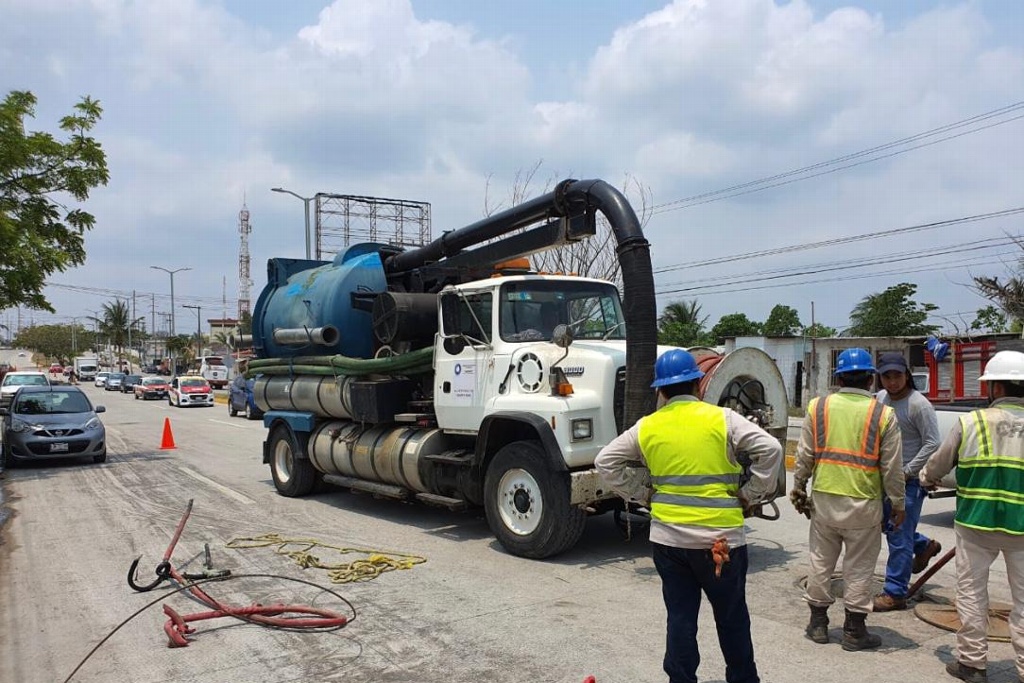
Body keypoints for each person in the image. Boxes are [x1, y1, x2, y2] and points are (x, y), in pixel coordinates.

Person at [595, 348, 782, 683]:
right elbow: (772, 449)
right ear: (698, 384)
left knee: (680, 619)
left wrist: (642, 493)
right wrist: (750, 494)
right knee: (732, 617)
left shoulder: (648, 427)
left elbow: (605, 462)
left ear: (660, 391)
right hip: (721, 543)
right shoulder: (722, 419)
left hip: (670, 542)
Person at [791, 347, 905, 650]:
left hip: (826, 498)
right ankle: (854, 631)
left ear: (838, 378)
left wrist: (799, 486)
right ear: (871, 380)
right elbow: (892, 467)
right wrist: (898, 504)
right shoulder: (883, 413)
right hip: (864, 503)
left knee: (820, 560)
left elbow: (804, 454)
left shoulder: (818, 408)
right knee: (860, 567)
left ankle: (818, 624)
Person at [921, 350, 1024, 683]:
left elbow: (937, 466)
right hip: (1022, 527)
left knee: (971, 593)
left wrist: (925, 478)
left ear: (995, 388)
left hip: (975, 523)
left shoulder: (971, 422)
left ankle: (972, 664)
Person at [873, 351, 943, 611]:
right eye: (887, 376)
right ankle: (924, 545)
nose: (892, 382)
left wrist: (910, 471)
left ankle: (895, 592)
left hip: (908, 481)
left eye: (897, 376)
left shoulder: (918, 404)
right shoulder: (880, 399)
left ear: (907, 376)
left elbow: (933, 442)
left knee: (898, 535)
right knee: (887, 525)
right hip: (884, 478)